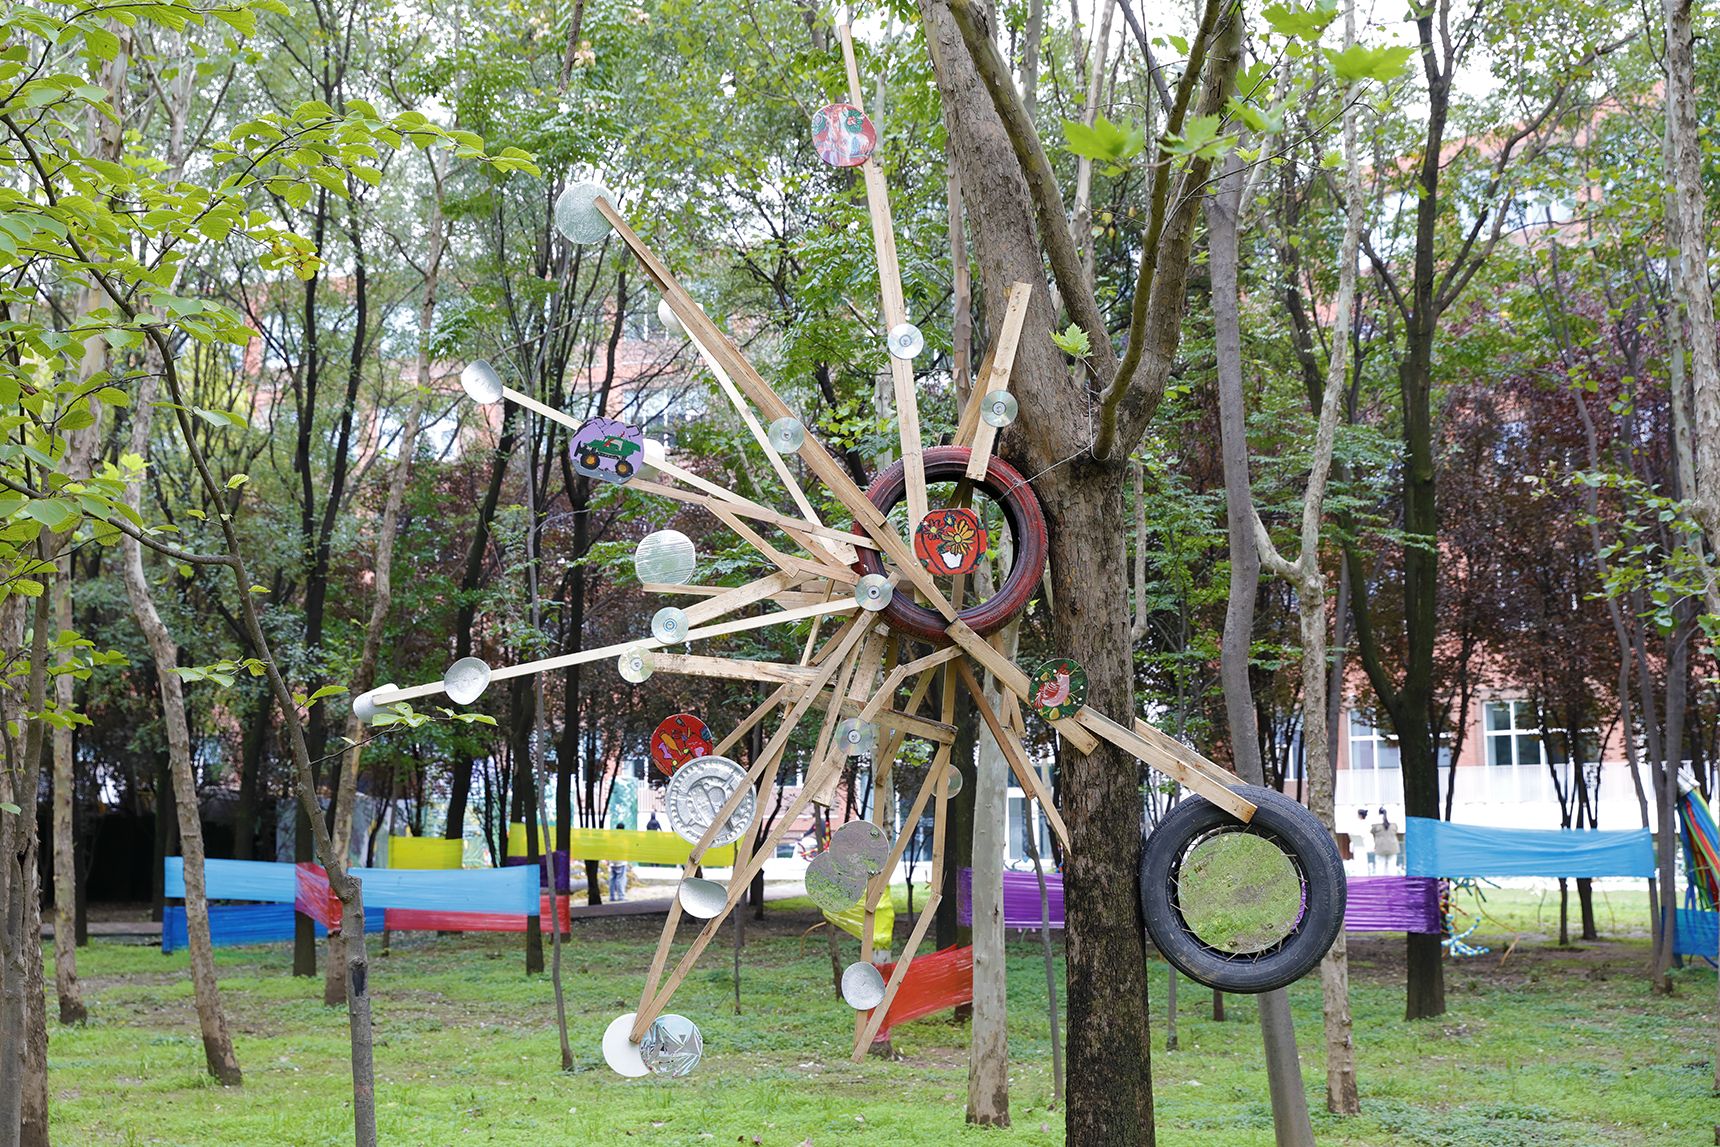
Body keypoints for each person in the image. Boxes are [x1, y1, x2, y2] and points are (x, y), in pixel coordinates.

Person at [1371, 808, 1401, 874]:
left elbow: (1372, 832)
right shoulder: (1393, 824)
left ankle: (1381, 880)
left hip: (1380, 847)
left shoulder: (1376, 825)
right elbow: (1396, 830)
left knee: (1380, 867)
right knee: (1392, 866)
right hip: (1393, 847)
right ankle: (1393, 879)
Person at [608, 821, 629, 901]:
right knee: (620, 879)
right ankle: (621, 896)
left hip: (612, 861)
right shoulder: (623, 838)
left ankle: (612, 896)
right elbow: (624, 848)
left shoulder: (612, 837)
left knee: (612, 879)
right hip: (621, 861)